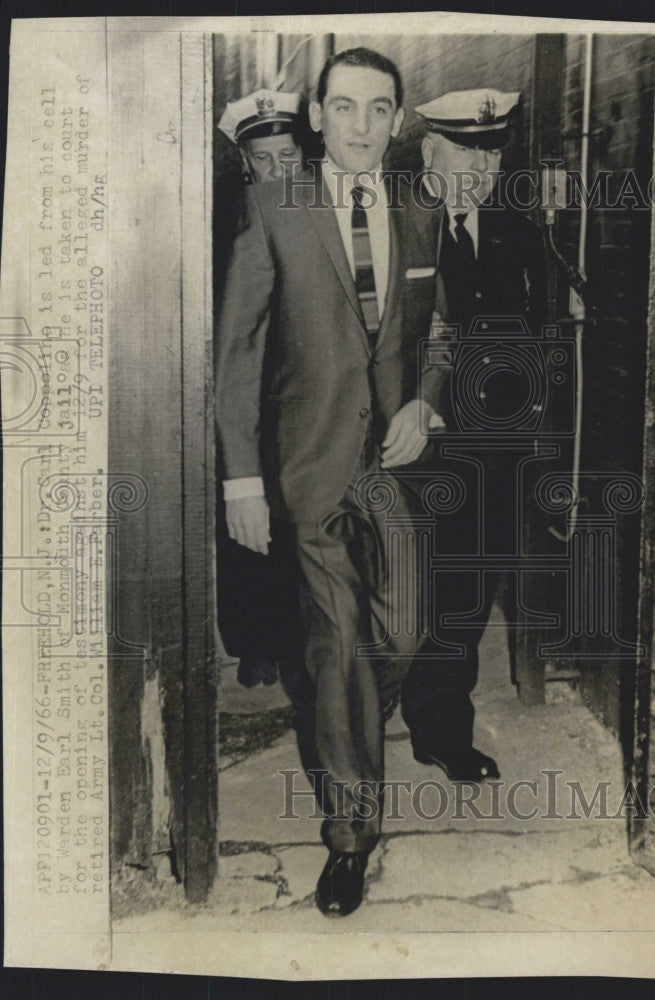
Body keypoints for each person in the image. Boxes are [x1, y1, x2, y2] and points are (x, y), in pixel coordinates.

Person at [215, 48, 444, 917]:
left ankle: (336, 718)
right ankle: (351, 836)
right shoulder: (274, 207)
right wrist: (241, 477)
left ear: (396, 117)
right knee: (342, 640)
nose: (359, 126)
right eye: (342, 107)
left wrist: (425, 402)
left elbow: (443, 328)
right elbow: (236, 353)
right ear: (317, 116)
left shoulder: (419, 209)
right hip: (306, 466)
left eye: (377, 109)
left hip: (395, 467)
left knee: (409, 629)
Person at [400, 89, 548, 782]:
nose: (482, 169)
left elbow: (532, 326)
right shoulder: (399, 222)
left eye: (491, 155)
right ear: (429, 150)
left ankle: (439, 729)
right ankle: (366, 714)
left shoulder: (512, 225)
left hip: (493, 448)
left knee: (468, 588)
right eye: (466, 151)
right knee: (400, 590)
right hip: (414, 444)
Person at [215, 88, 307, 690]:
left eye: (289, 156)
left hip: (299, 393)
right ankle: (252, 642)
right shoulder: (224, 215)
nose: (279, 170)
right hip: (241, 390)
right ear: (246, 160)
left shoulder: (320, 207)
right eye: (266, 159)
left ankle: (294, 640)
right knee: (246, 520)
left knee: (298, 526)